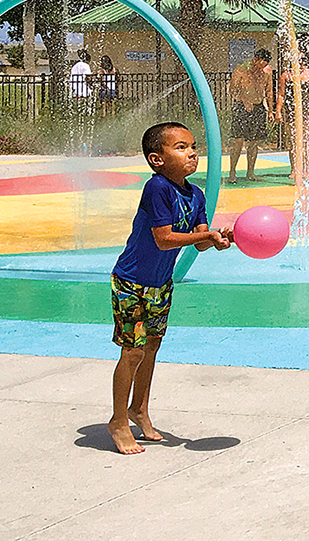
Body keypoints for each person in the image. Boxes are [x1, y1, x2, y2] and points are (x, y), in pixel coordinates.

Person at [108, 122, 232, 455]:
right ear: (157, 159)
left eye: (193, 146)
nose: (191, 153)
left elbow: (200, 241)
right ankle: (118, 421)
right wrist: (206, 236)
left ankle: (139, 409)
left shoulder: (196, 195)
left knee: (150, 348)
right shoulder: (157, 188)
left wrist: (220, 238)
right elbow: (163, 239)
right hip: (131, 281)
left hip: (161, 283)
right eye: (181, 147)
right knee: (132, 351)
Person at [228, 49, 273, 183]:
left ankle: (250, 172)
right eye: (260, 65)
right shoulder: (242, 69)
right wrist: (243, 99)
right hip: (242, 106)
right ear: (255, 59)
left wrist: (271, 110)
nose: (261, 69)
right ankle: (232, 172)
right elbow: (232, 89)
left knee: (254, 142)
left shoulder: (267, 72)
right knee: (238, 141)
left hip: (258, 107)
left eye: (264, 66)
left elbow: (269, 91)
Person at [276, 58, 309, 182]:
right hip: (292, 112)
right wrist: (278, 111)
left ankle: (305, 168)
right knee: (293, 140)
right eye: (297, 60)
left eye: (303, 60)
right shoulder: (286, 75)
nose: (300, 63)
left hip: (308, 110)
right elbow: (281, 94)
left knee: (305, 139)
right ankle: (294, 168)